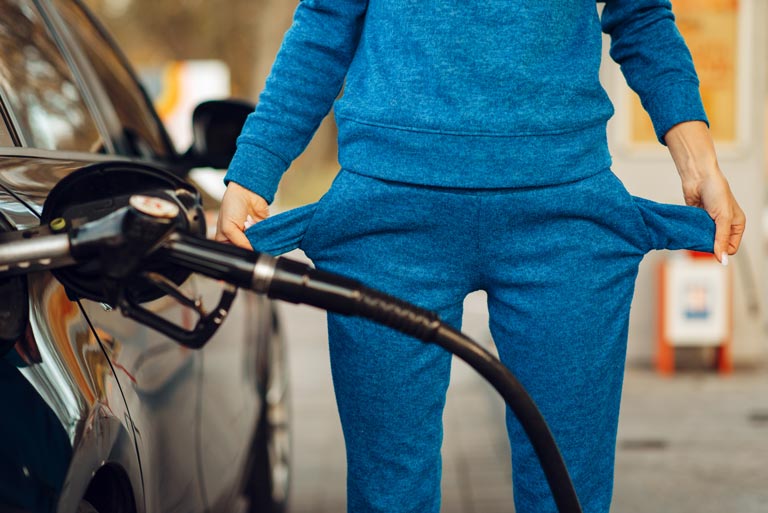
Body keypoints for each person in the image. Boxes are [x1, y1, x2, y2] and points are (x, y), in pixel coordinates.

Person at [216, 1, 745, 512]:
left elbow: (641, 13)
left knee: (568, 494)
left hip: (563, 216)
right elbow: (327, 20)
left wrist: (699, 168)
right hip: (389, 218)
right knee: (389, 498)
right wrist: (255, 168)